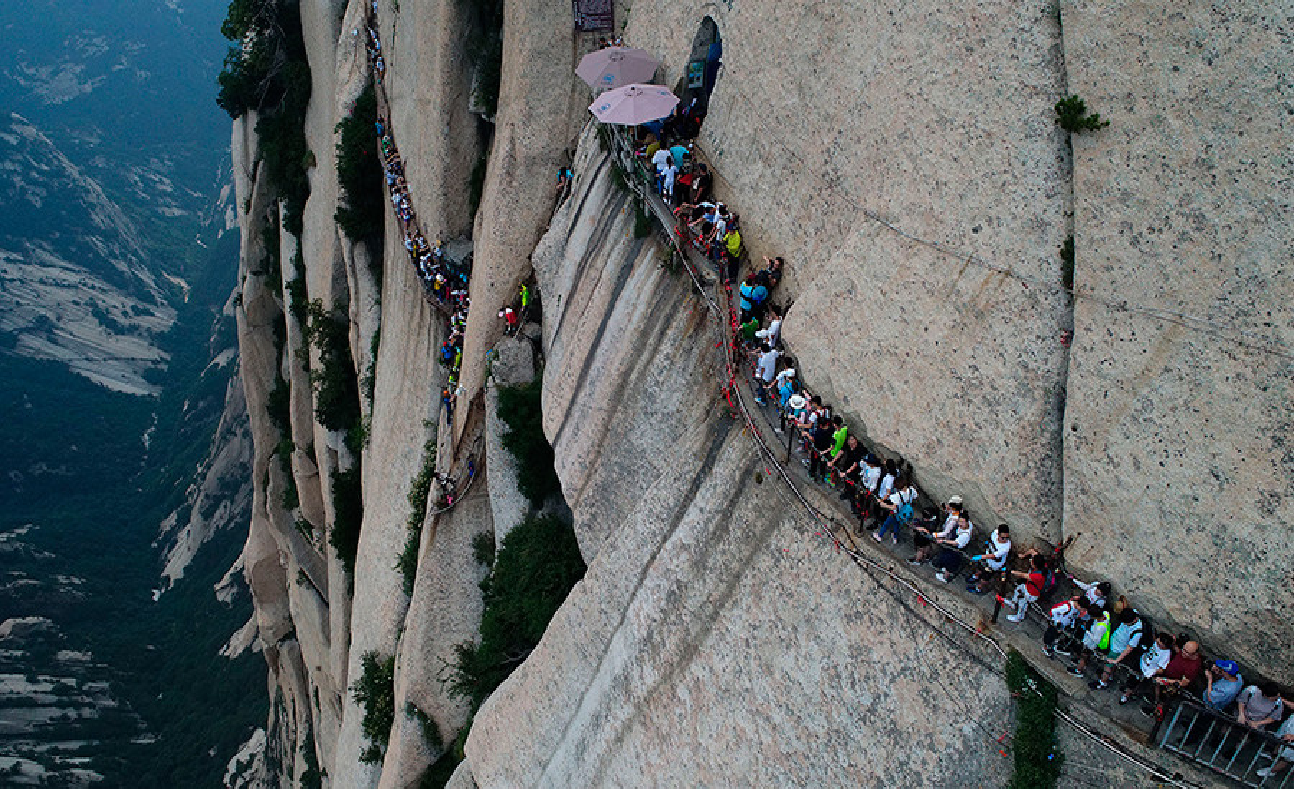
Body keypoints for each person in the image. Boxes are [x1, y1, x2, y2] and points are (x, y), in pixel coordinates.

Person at [1085, 608, 1146, 690]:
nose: (1124, 624)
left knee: (1108, 666)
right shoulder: (1132, 613)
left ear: (1133, 620)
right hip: (1114, 643)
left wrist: (1117, 660)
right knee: (1111, 666)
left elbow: (1129, 648)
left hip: (1118, 650)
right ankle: (1109, 676)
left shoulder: (1137, 632)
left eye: (1126, 623)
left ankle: (1102, 682)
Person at [1003, 555, 1047, 622]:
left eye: (1032, 561)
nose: (1030, 562)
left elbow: (1023, 575)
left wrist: (1011, 572)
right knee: (1018, 589)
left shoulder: (1038, 576)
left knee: (1022, 603)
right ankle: (1013, 603)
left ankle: (1019, 617)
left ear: (1035, 565)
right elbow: (1033, 552)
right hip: (1028, 586)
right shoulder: (1042, 565)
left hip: (1032, 593)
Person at [873, 477, 916, 544]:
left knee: (886, 524)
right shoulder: (911, 490)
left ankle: (879, 536)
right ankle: (895, 537)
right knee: (897, 524)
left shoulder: (897, 496)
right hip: (904, 513)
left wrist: (882, 504)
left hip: (895, 513)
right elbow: (916, 496)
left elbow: (893, 507)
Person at [932, 515, 973, 582]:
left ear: (967, 522)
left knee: (950, 563)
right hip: (951, 547)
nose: (960, 524)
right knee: (945, 558)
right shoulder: (968, 524)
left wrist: (943, 541)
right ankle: (944, 570)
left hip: (956, 550)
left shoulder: (965, 535)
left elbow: (955, 542)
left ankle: (945, 577)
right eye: (959, 521)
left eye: (962, 522)